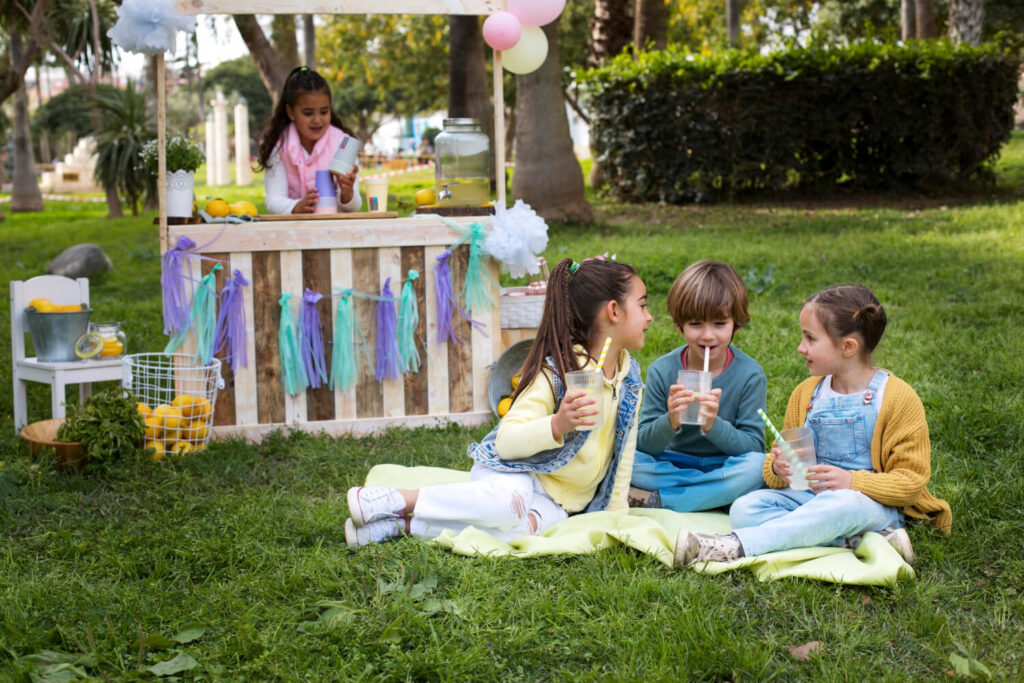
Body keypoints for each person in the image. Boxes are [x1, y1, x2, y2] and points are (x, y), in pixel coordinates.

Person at [344, 258, 653, 548]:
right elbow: (507, 442)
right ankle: (397, 500)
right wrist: (558, 424)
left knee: (523, 530)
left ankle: (397, 526)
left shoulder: (629, 380)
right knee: (507, 508)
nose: (649, 317)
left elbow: (624, 455)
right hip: (517, 471)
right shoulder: (560, 373)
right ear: (614, 311)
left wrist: (616, 519)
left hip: (561, 500)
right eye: (642, 306)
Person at [675, 285, 952, 567]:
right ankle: (862, 540)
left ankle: (734, 546)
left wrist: (852, 482)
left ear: (848, 347)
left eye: (810, 338)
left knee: (840, 505)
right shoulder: (806, 393)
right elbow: (778, 460)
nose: (800, 347)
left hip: (869, 503)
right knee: (745, 509)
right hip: (808, 497)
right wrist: (777, 467)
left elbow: (911, 483)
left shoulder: (898, 399)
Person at [629, 260, 767, 512]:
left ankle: (663, 500)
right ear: (679, 325)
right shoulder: (663, 370)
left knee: (758, 467)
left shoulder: (749, 375)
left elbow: (753, 446)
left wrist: (714, 425)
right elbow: (644, 444)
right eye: (695, 324)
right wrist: (670, 420)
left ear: (735, 324)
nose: (706, 335)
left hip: (723, 465)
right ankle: (712, 495)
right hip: (671, 464)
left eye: (719, 324)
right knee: (626, 460)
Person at [255, 66, 361, 215]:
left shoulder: (344, 145)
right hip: (295, 233)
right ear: (291, 112)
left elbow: (354, 207)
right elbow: (273, 200)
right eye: (308, 113)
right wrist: (297, 206)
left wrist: (347, 193)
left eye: (324, 112)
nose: (317, 120)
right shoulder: (280, 148)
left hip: (335, 233)